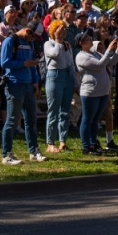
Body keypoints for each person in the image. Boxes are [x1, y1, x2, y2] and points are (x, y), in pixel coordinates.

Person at [0, 24, 45, 164]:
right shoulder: (10, 41)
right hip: (14, 84)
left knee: (31, 120)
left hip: (28, 84)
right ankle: (7, 154)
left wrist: (35, 82)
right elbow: (4, 62)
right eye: (31, 35)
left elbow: (32, 65)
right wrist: (24, 63)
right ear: (27, 30)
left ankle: (34, 150)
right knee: (12, 120)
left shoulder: (29, 42)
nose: (32, 39)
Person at [76, 32, 118, 155]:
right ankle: (86, 146)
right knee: (87, 119)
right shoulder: (81, 56)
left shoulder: (95, 53)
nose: (90, 39)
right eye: (87, 39)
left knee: (95, 119)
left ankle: (93, 143)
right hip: (90, 93)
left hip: (102, 92)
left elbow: (110, 62)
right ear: (81, 43)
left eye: (90, 37)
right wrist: (109, 49)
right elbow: (100, 65)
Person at [43, 19, 76, 153]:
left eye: (64, 28)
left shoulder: (67, 45)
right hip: (54, 76)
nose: (63, 30)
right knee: (53, 111)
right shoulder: (48, 44)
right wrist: (57, 40)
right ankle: (50, 142)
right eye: (60, 28)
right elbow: (55, 54)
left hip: (67, 76)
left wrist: (75, 82)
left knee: (65, 111)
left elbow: (71, 63)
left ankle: (63, 141)